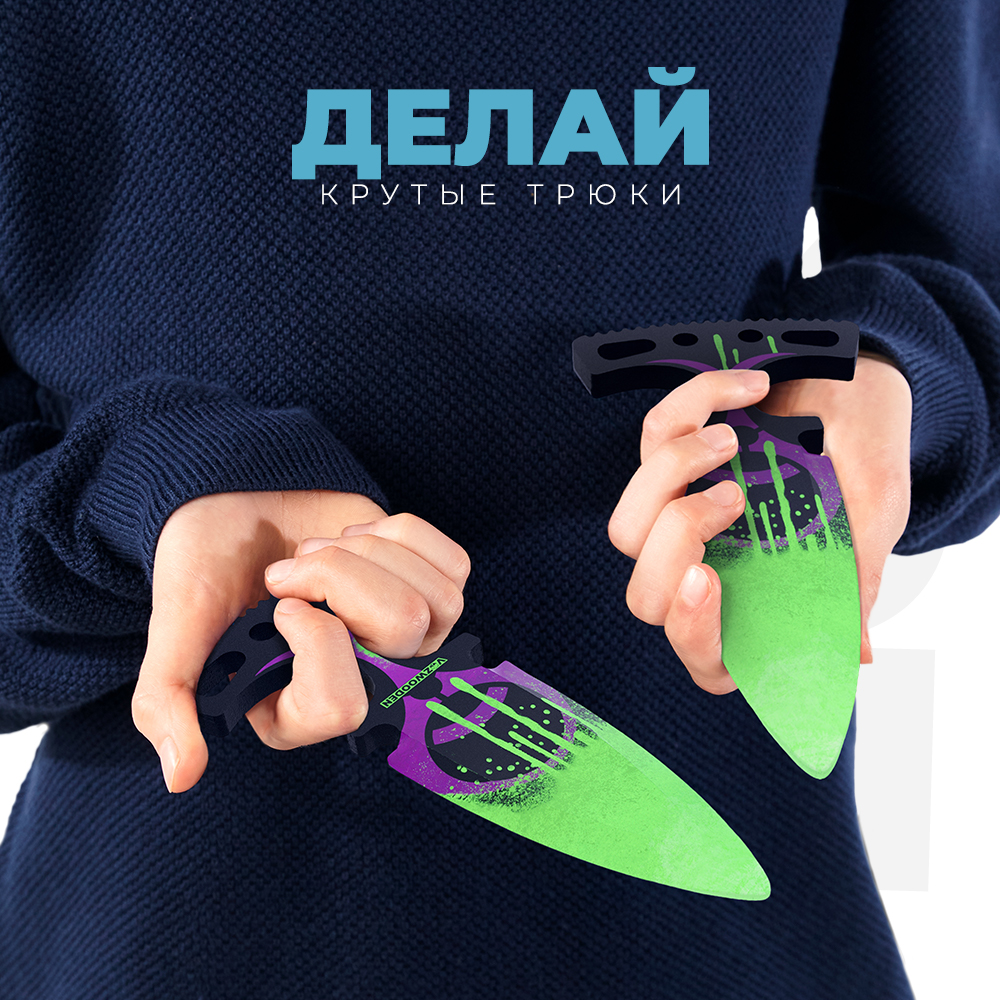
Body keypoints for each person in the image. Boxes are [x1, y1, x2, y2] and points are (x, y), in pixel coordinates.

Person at [1, 1, 996, 997]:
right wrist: (136, 501)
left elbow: (970, 289)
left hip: (740, 939)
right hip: (163, 935)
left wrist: (881, 373)